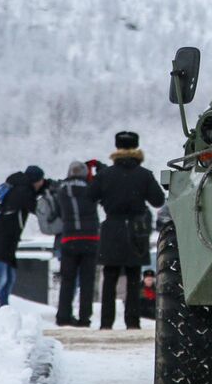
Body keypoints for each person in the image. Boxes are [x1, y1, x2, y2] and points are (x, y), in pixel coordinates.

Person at [90, 131, 164, 330]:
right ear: (136, 147)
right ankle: (132, 322)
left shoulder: (105, 174)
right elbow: (158, 200)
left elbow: (90, 196)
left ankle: (106, 323)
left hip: (112, 229)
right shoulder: (144, 174)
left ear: (117, 147)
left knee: (110, 277)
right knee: (133, 277)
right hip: (135, 231)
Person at [0, 165, 45, 309]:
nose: (42, 183)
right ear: (35, 180)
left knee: (8, 279)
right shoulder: (24, 191)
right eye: (41, 180)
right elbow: (37, 209)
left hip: (3, 241)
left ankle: (4, 309)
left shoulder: (16, 186)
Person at [54, 161, 100, 328]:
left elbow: (57, 211)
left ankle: (63, 316)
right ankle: (84, 318)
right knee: (87, 281)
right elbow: (103, 182)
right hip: (90, 239)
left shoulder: (61, 189)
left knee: (67, 280)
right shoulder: (91, 188)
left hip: (69, 238)